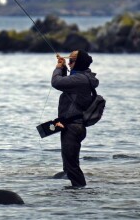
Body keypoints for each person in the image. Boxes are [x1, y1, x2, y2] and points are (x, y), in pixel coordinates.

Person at [51, 49, 98, 188]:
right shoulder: (82, 78)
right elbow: (66, 83)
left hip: (72, 127)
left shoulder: (80, 79)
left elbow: (56, 82)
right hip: (72, 126)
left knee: (71, 166)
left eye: (71, 61)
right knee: (69, 165)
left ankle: (80, 193)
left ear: (79, 63)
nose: (69, 63)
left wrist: (58, 68)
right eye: (69, 60)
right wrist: (63, 68)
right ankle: (74, 194)